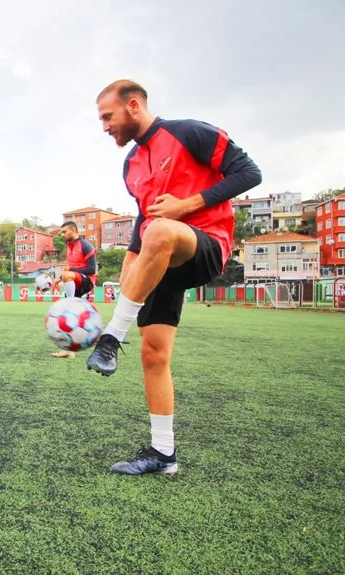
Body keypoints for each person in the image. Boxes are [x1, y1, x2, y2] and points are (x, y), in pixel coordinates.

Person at [86, 80, 262, 475]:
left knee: (162, 229)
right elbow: (140, 231)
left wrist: (186, 205)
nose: (104, 127)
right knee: (154, 353)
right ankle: (164, 455)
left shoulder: (188, 133)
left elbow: (249, 173)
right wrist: (126, 283)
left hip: (205, 245)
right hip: (159, 254)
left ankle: (113, 337)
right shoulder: (131, 166)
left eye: (107, 116)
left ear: (133, 106)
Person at [51, 220, 98, 358]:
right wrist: (60, 278)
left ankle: (70, 303)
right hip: (75, 279)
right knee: (65, 317)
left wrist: (69, 271)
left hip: (87, 281)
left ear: (73, 230)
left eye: (64, 232)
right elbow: (69, 269)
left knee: (68, 310)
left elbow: (91, 269)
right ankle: (69, 351)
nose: (62, 235)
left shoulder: (86, 245)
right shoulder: (69, 247)